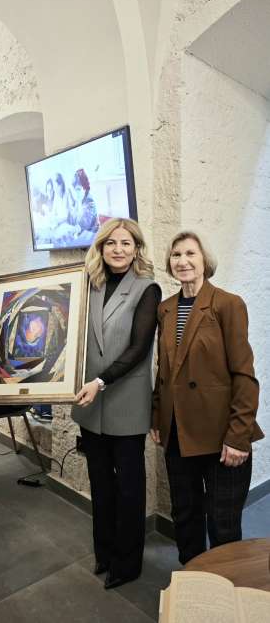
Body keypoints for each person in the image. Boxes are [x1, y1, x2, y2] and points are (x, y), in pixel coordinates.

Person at [150, 230, 264, 565]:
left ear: (205, 261)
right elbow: (164, 371)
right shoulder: (165, 309)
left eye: (191, 254)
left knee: (222, 523)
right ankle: (193, 581)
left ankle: (226, 586)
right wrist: (157, 417)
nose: (182, 261)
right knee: (184, 516)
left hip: (221, 436)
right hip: (177, 432)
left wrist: (239, 437)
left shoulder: (228, 304)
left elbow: (244, 376)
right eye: (176, 255)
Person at [72, 218, 161, 590]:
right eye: (111, 243)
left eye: (126, 243)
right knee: (100, 483)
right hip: (89, 404)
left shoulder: (147, 288)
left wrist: (99, 382)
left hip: (125, 399)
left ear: (137, 248)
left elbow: (139, 348)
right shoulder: (87, 284)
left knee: (128, 486)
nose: (118, 249)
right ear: (101, 247)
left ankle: (127, 563)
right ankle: (105, 552)